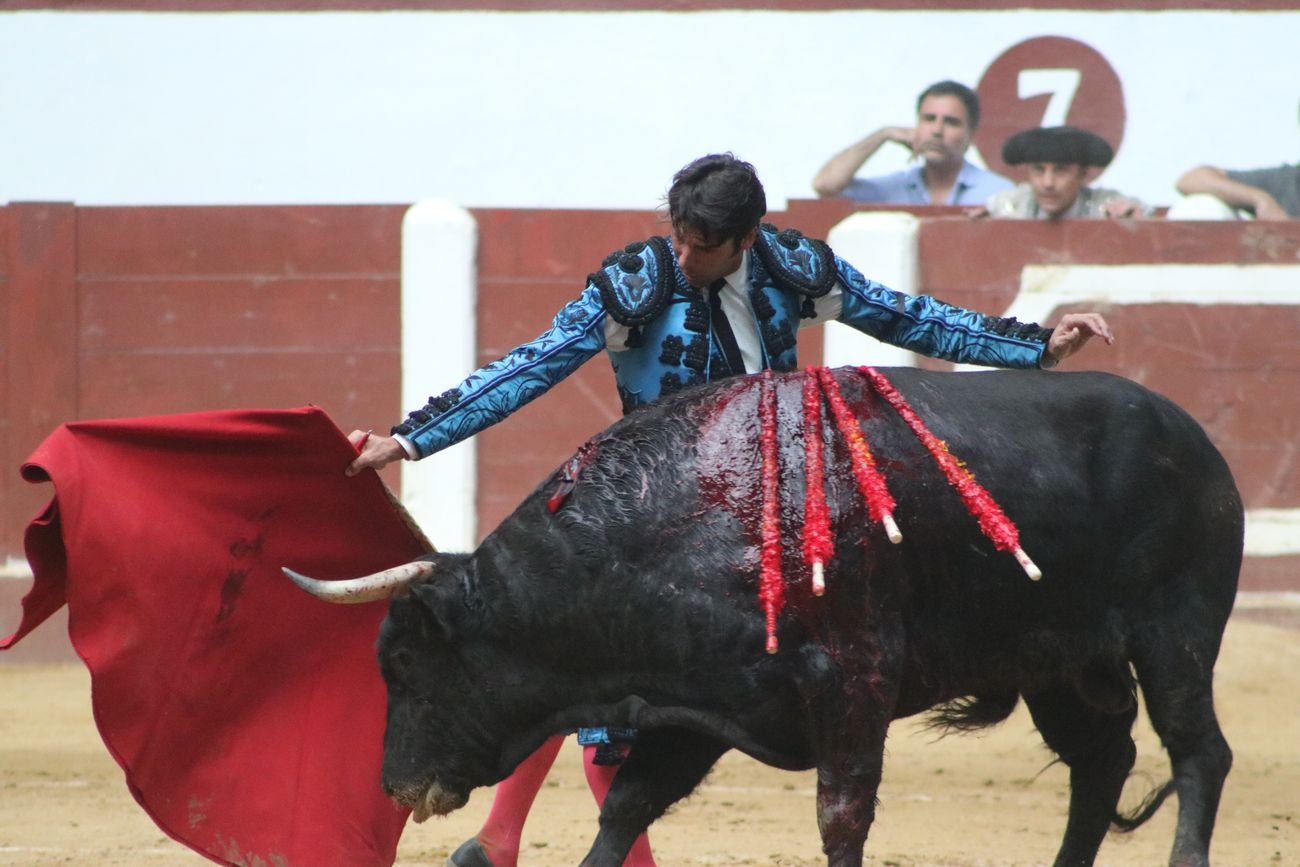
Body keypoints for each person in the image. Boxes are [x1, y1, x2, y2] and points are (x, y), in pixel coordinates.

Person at [347, 153, 1114, 867]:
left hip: (767, 511)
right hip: (649, 515)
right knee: (561, 654)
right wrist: (411, 439)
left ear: (747, 238)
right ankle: (505, 834)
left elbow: (906, 317)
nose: (686, 257)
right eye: (679, 237)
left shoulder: (788, 268)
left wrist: (1035, 347)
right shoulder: (638, 284)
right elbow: (533, 363)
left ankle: (509, 838)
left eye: (706, 246)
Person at [811, 80, 1012, 205]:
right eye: (929, 119)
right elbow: (825, 185)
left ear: (971, 135)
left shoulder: (999, 192)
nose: (937, 131)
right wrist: (883, 135)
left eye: (951, 122)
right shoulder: (892, 188)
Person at [982, 125, 1151, 220]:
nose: (1048, 183)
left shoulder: (1103, 205)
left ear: (1083, 175)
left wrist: (1130, 214)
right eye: (1039, 170)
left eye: (1060, 171)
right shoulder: (1009, 204)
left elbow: (1142, 212)